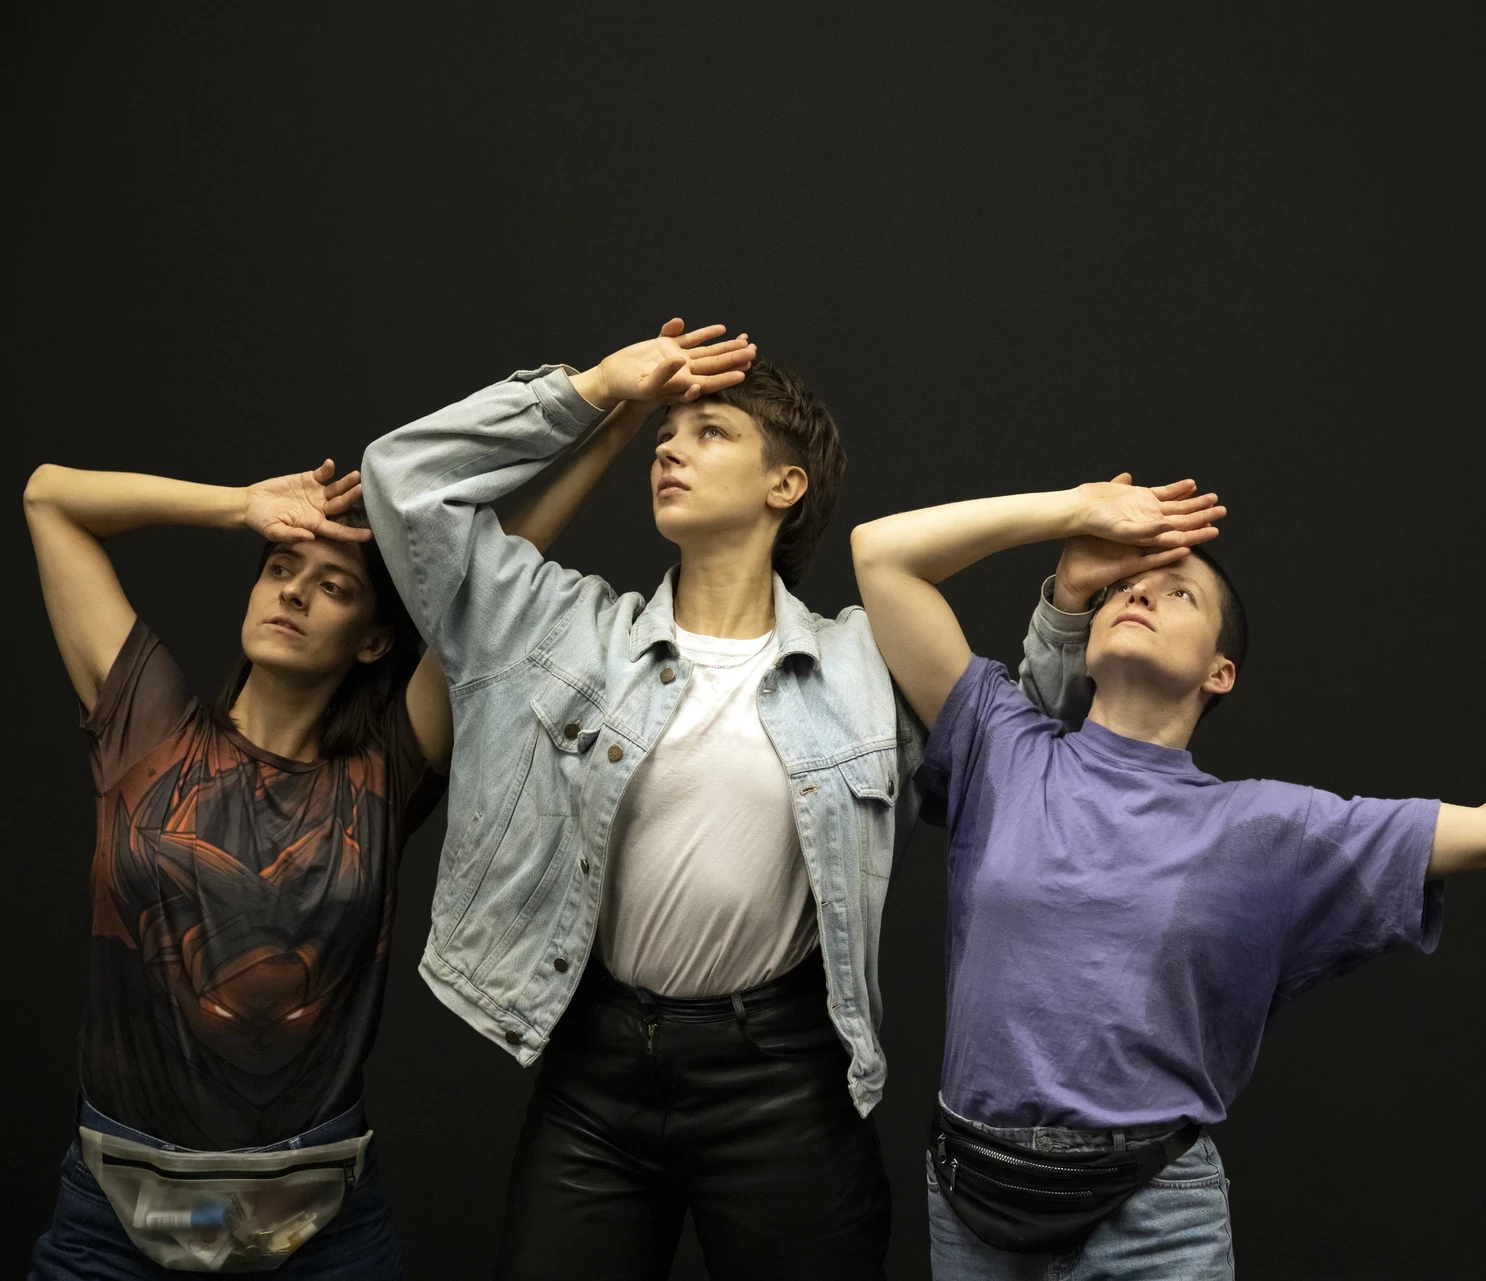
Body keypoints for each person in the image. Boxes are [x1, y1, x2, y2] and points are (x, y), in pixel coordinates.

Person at [359, 319, 1093, 1280]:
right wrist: (595, 393)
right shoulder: (561, 630)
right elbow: (402, 481)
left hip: (782, 1080)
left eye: (710, 433)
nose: (670, 449)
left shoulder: (865, 662)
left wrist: (1068, 605)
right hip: (596, 1073)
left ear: (786, 485)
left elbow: (1021, 759)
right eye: (665, 435)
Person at [851, 476, 1486, 1279]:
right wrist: (1075, 511)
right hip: (973, 1198)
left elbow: (1475, 832)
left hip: (1152, 1217)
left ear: (1220, 672)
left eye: (1178, 592)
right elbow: (882, 555)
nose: (1140, 595)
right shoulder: (1001, 747)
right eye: (1122, 587)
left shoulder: (1267, 826)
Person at [23, 446, 605, 1279]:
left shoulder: (386, 769)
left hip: (318, 1226)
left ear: (373, 638)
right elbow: (50, 498)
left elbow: (495, 582)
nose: (293, 591)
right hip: (116, 1217)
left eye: (332, 585)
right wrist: (241, 506)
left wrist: (613, 423)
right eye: (280, 568)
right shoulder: (145, 728)